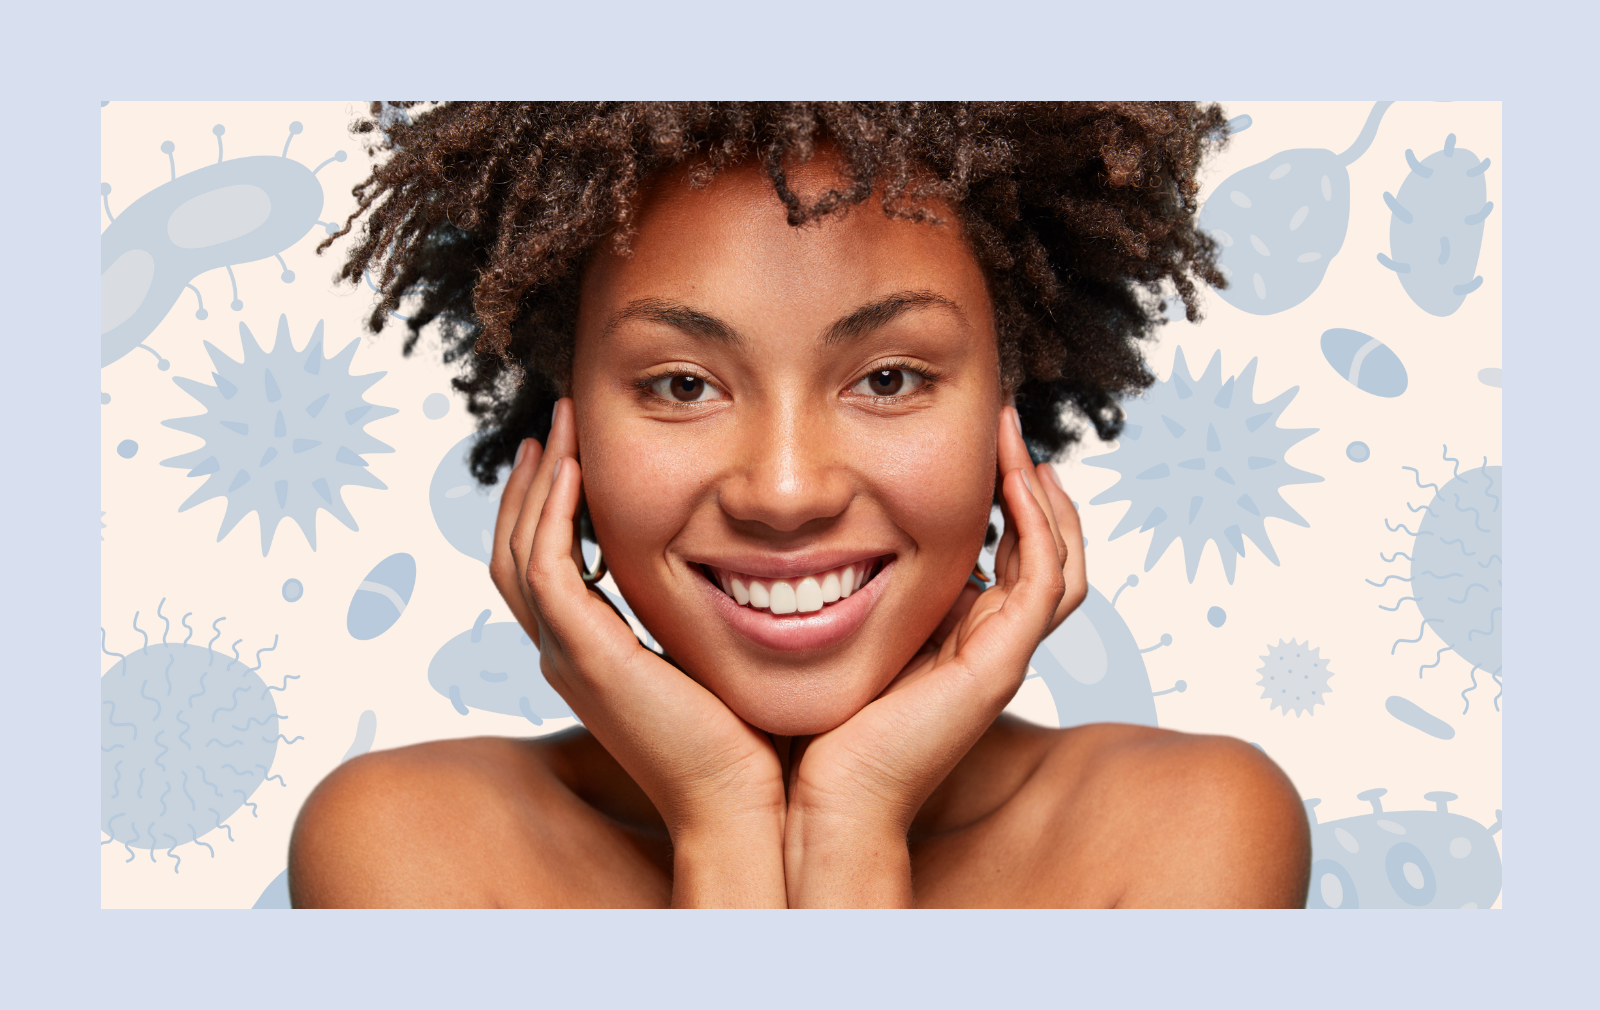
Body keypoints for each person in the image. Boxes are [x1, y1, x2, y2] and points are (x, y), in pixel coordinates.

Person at [288, 102, 1311, 908]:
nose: (784, 492)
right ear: (567, 431)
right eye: (683, 384)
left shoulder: (1190, 831)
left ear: (1010, 402)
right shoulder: (404, 845)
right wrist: (723, 819)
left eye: (889, 377)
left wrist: (851, 823)